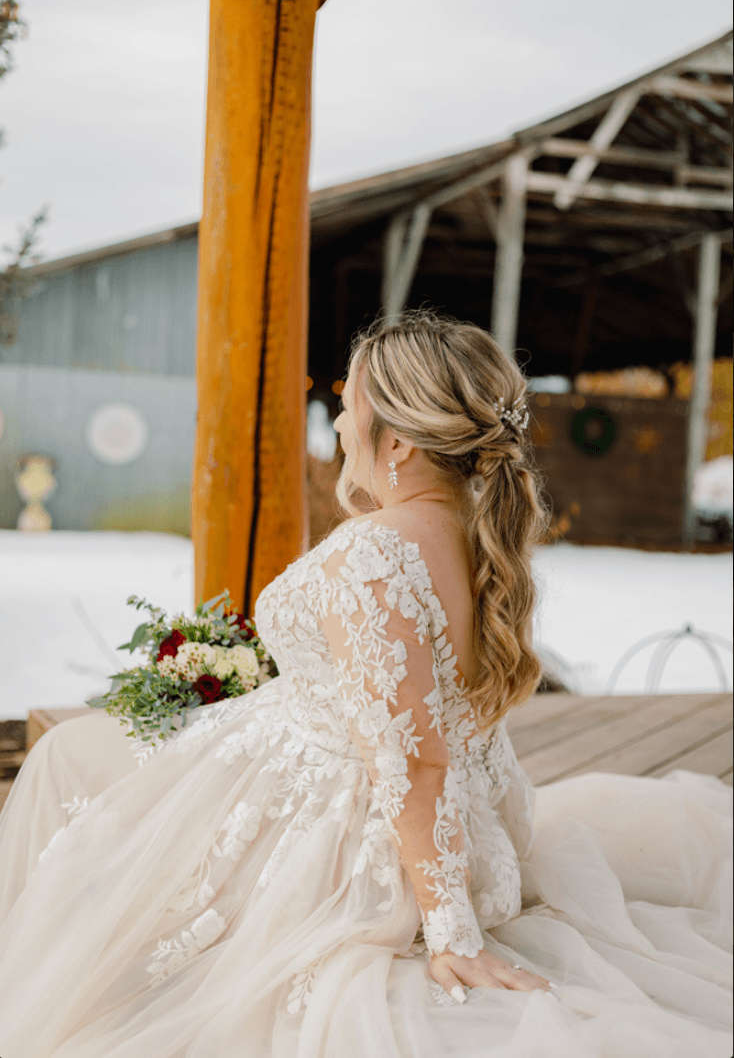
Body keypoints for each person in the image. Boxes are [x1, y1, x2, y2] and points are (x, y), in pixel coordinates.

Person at [0, 311, 731, 1058]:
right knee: (83, 756)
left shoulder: (375, 554)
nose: (341, 424)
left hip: (346, 831)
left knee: (71, 770)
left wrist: (451, 934)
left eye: (350, 406)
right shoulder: (469, 534)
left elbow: (415, 760)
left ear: (402, 440)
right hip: (422, 804)